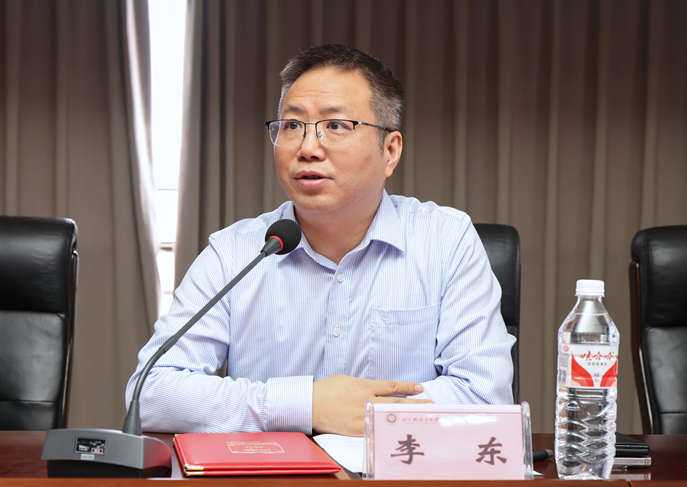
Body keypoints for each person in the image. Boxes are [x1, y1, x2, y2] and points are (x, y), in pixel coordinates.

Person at [126, 44, 515, 437]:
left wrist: (365, 414)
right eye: (292, 126)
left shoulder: (445, 241)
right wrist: (307, 405)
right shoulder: (234, 253)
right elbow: (150, 393)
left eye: (336, 126)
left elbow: (485, 397)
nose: (308, 148)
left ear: (390, 150)